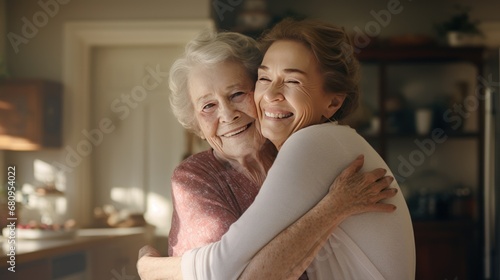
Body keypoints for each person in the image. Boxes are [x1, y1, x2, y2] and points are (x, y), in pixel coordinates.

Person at [138, 28, 398, 279]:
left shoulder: (298, 152)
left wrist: (153, 269)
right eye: (208, 106)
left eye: (238, 93)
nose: (228, 115)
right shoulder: (194, 177)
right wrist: (333, 209)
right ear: (197, 124)